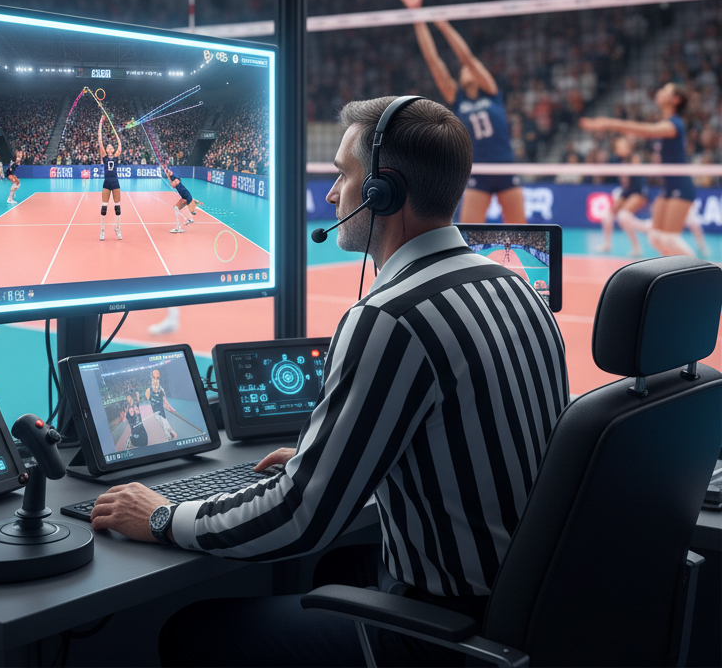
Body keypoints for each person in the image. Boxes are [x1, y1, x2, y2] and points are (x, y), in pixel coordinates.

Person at [91, 95, 568, 668]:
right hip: (526, 602)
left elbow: (299, 518)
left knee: (189, 632)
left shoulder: (391, 317)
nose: (331, 194)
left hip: (450, 633)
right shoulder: (516, 288)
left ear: (381, 191)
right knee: (337, 570)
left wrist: (164, 516)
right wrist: (336, 453)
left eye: (343, 175)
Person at [397, 0, 526, 224]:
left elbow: (467, 57)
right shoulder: (458, 98)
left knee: (523, 232)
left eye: (471, 69)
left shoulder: (491, 92)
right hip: (477, 170)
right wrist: (418, 16)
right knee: (468, 232)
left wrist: (444, 27)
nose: (467, 70)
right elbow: (433, 61)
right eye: (463, 71)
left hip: (505, 166)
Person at [579, 82, 695, 257]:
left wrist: (609, 123)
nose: (660, 92)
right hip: (668, 187)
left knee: (669, 239)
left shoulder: (674, 125)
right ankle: (674, 277)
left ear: (675, 100)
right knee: (656, 237)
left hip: (681, 186)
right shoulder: (665, 123)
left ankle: (706, 272)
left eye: (665, 91)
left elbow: (643, 130)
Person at [597, 136, 648, 258]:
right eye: (617, 147)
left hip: (639, 191)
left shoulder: (634, 157)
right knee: (607, 215)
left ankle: (638, 245)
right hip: (626, 192)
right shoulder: (618, 159)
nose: (619, 149)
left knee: (623, 216)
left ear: (628, 147)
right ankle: (607, 244)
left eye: (622, 146)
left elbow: (637, 168)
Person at [98, 115, 123, 241]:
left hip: (116, 182)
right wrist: (100, 123)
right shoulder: (104, 156)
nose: (109, 147)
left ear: (112, 149)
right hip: (107, 182)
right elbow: (100, 140)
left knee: (117, 207)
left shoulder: (116, 155)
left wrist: (116, 134)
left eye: (110, 146)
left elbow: (120, 145)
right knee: (104, 207)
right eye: (108, 147)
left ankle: (117, 229)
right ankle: (102, 231)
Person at [145, 369, 178, 441]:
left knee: (167, 429)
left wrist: (171, 408)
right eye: (154, 377)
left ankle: (170, 438)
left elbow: (165, 402)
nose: (155, 380)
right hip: (156, 414)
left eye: (157, 378)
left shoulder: (161, 390)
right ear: (151, 378)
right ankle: (170, 438)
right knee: (165, 430)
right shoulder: (148, 391)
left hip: (162, 414)